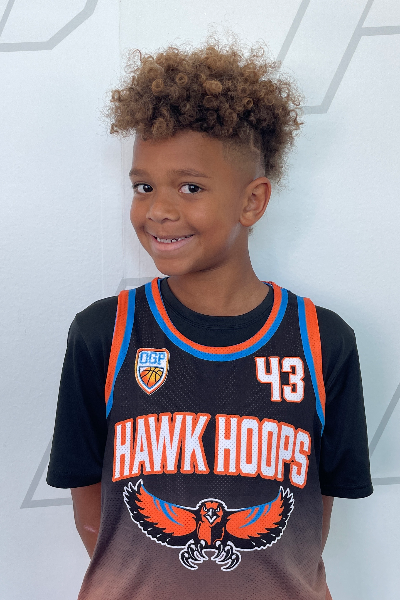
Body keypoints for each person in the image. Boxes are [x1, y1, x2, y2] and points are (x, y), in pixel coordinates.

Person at [47, 36, 373, 600]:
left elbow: (311, 517)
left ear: (252, 201)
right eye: (143, 186)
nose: (158, 210)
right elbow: (89, 508)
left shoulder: (323, 341)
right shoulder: (103, 334)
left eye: (190, 187)